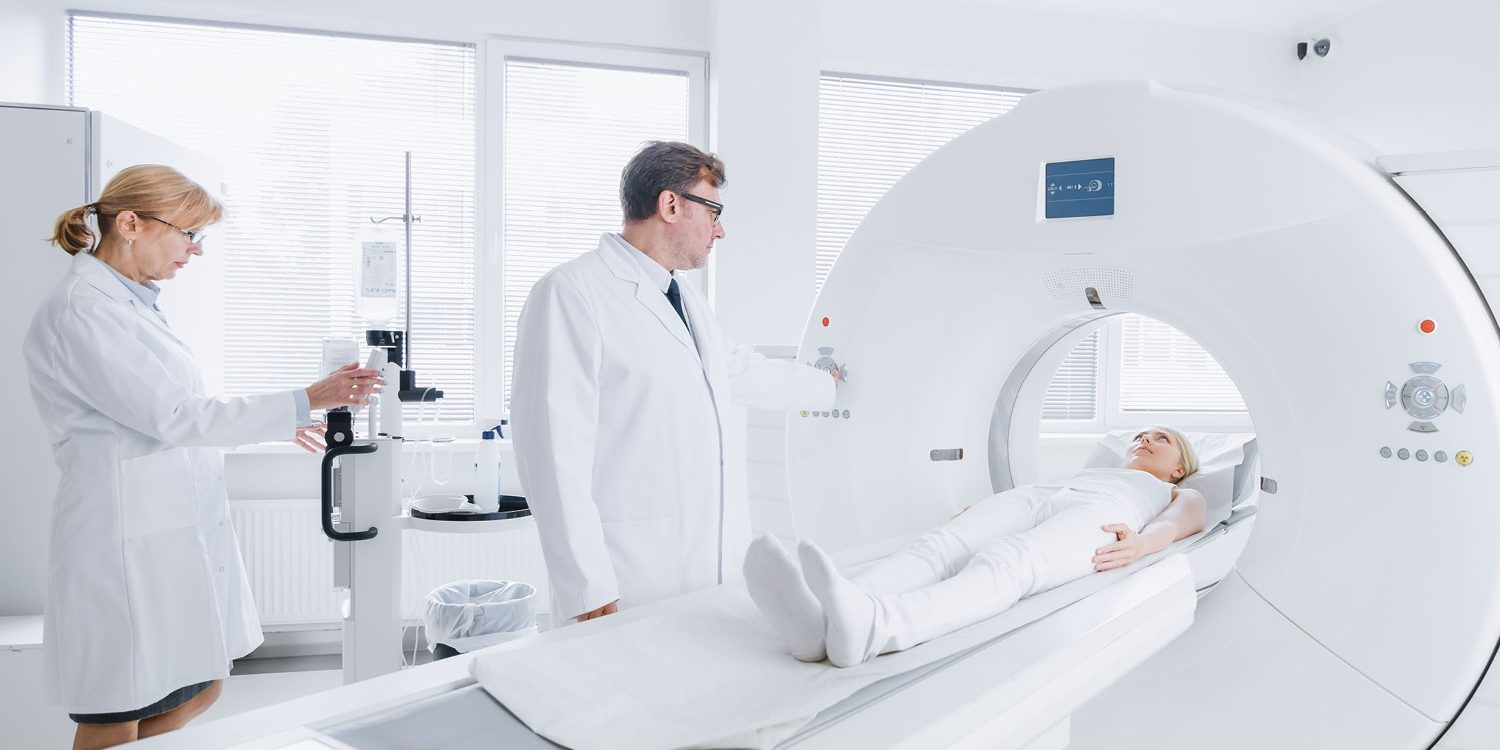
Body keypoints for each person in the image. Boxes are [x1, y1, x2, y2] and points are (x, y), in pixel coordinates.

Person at [23, 165, 383, 750]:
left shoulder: (131, 303)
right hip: (120, 537)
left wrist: (283, 419)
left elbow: (169, 411)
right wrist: (305, 399)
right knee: (115, 712)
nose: (195, 250)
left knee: (201, 685)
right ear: (130, 224)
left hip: (162, 524)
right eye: (188, 234)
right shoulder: (83, 310)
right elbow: (173, 416)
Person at [511, 141, 838, 625]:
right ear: (670, 205)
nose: (720, 230)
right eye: (713, 212)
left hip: (710, 570)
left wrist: (828, 386)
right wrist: (587, 586)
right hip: (626, 579)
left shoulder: (685, 299)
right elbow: (552, 456)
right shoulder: (571, 293)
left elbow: (734, 370)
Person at [745, 426, 1205, 668]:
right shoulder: (1092, 469)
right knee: (944, 543)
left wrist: (1141, 545)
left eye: (1160, 438)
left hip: (1102, 513)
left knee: (1009, 561)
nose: (1144, 439)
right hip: (1042, 494)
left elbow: (1186, 521)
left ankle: (877, 627)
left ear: (1179, 468)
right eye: (1139, 435)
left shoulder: (1173, 491)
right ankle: (821, 619)